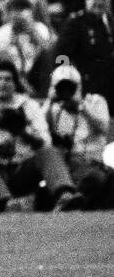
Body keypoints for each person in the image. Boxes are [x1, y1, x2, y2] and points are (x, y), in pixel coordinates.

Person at [0, 61, 82, 213]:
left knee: (49, 151)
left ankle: (65, 195)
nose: (3, 83)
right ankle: (7, 206)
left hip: (20, 167)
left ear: (15, 84)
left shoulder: (28, 105)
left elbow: (45, 141)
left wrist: (22, 131)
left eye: (8, 79)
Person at [42, 64, 114, 210]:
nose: (66, 91)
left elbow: (103, 127)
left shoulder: (94, 101)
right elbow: (39, 129)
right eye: (61, 87)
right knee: (95, 179)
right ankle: (70, 201)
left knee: (101, 178)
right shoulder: (53, 109)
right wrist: (50, 101)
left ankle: (73, 203)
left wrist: (81, 107)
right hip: (65, 166)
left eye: (70, 86)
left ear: (79, 86)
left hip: (91, 162)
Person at [54, 0, 113, 105]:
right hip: (88, 91)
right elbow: (61, 55)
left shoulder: (111, 23)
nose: (100, 2)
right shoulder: (76, 23)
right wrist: (65, 79)